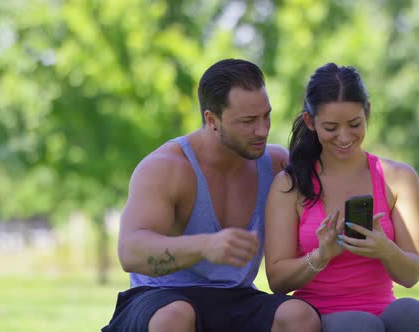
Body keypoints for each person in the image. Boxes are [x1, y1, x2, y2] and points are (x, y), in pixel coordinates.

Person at [102, 59, 321, 332]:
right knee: (175, 316)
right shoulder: (167, 167)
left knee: (299, 316)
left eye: (266, 115)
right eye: (248, 121)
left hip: (235, 296)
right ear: (212, 120)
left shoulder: (276, 164)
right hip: (159, 298)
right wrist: (206, 246)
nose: (262, 130)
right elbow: (130, 252)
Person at [264, 63, 419, 332]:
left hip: (382, 311)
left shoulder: (399, 179)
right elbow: (277, 280)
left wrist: (384, 249)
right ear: (310, 122)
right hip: (322, 316)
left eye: (354, 124)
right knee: (359, 325)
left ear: (367, 113)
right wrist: (321, 256)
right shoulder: (289, 185)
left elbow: (411, 275)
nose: (344, 137)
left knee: (412, 311)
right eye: (330, 127)